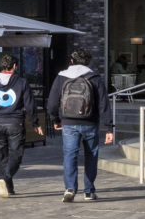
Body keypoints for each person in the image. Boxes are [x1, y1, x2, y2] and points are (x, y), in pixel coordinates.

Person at [48, 48, 113, 202]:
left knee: (70, 155)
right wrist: (109, 127)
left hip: (69, 123)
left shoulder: (61, 77)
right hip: (90, 123)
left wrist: (56, 120)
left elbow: (52, 103)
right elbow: (104, 104)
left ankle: (70, 188)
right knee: (91, 156)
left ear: (72, 61)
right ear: (88, 62)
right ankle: (89, 191)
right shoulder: (95, 78)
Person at [0, 54, 39, 196]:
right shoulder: (21, 82)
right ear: (15, 66)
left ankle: (7, 188)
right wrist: (35, 122)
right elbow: (30, 104)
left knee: (3, 156)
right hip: (16, 123)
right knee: (16, 155)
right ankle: (4, 178)